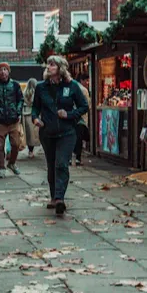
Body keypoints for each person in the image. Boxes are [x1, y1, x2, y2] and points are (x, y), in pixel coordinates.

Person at [32, 55, 88, 215]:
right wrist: (35, 118)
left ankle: (59, 199)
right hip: (47, 133)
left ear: (60, 68)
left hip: (67, 132)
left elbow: (84, 106)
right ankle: (53, 197)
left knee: (62, 163)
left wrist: (69, 115)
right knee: (51, 165)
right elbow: (35, 107)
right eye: (48, 64)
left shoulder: (72, 86)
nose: (48, 67)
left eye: (52, 65)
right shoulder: (41, 87)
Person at [0, 63, 24, 178]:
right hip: (0, 121)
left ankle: (12, 163)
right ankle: (1, 167)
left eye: (5, 69)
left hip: (13, 120)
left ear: (8, 71)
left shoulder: (15, 85)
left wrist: (17, 111)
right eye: (1, 70)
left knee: (16, 144)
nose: (3, 72)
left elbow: (20, 100)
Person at [73, 77, 91, 166]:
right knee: (79, 138)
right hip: (81, 118)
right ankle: (78, 158)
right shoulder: (84, 90)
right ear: (81, 80)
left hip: (70, 117)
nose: (87, 82)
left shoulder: (69, 88)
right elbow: (87, 104)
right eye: (86, 80)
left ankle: (69, 157)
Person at [22, 78, 40, 158]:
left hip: (26, 114)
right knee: (35, 133)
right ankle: (33, 150)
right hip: (35, 114)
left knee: (29, 134)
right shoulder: (36, 93)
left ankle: (30, 151)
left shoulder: (25, 93)